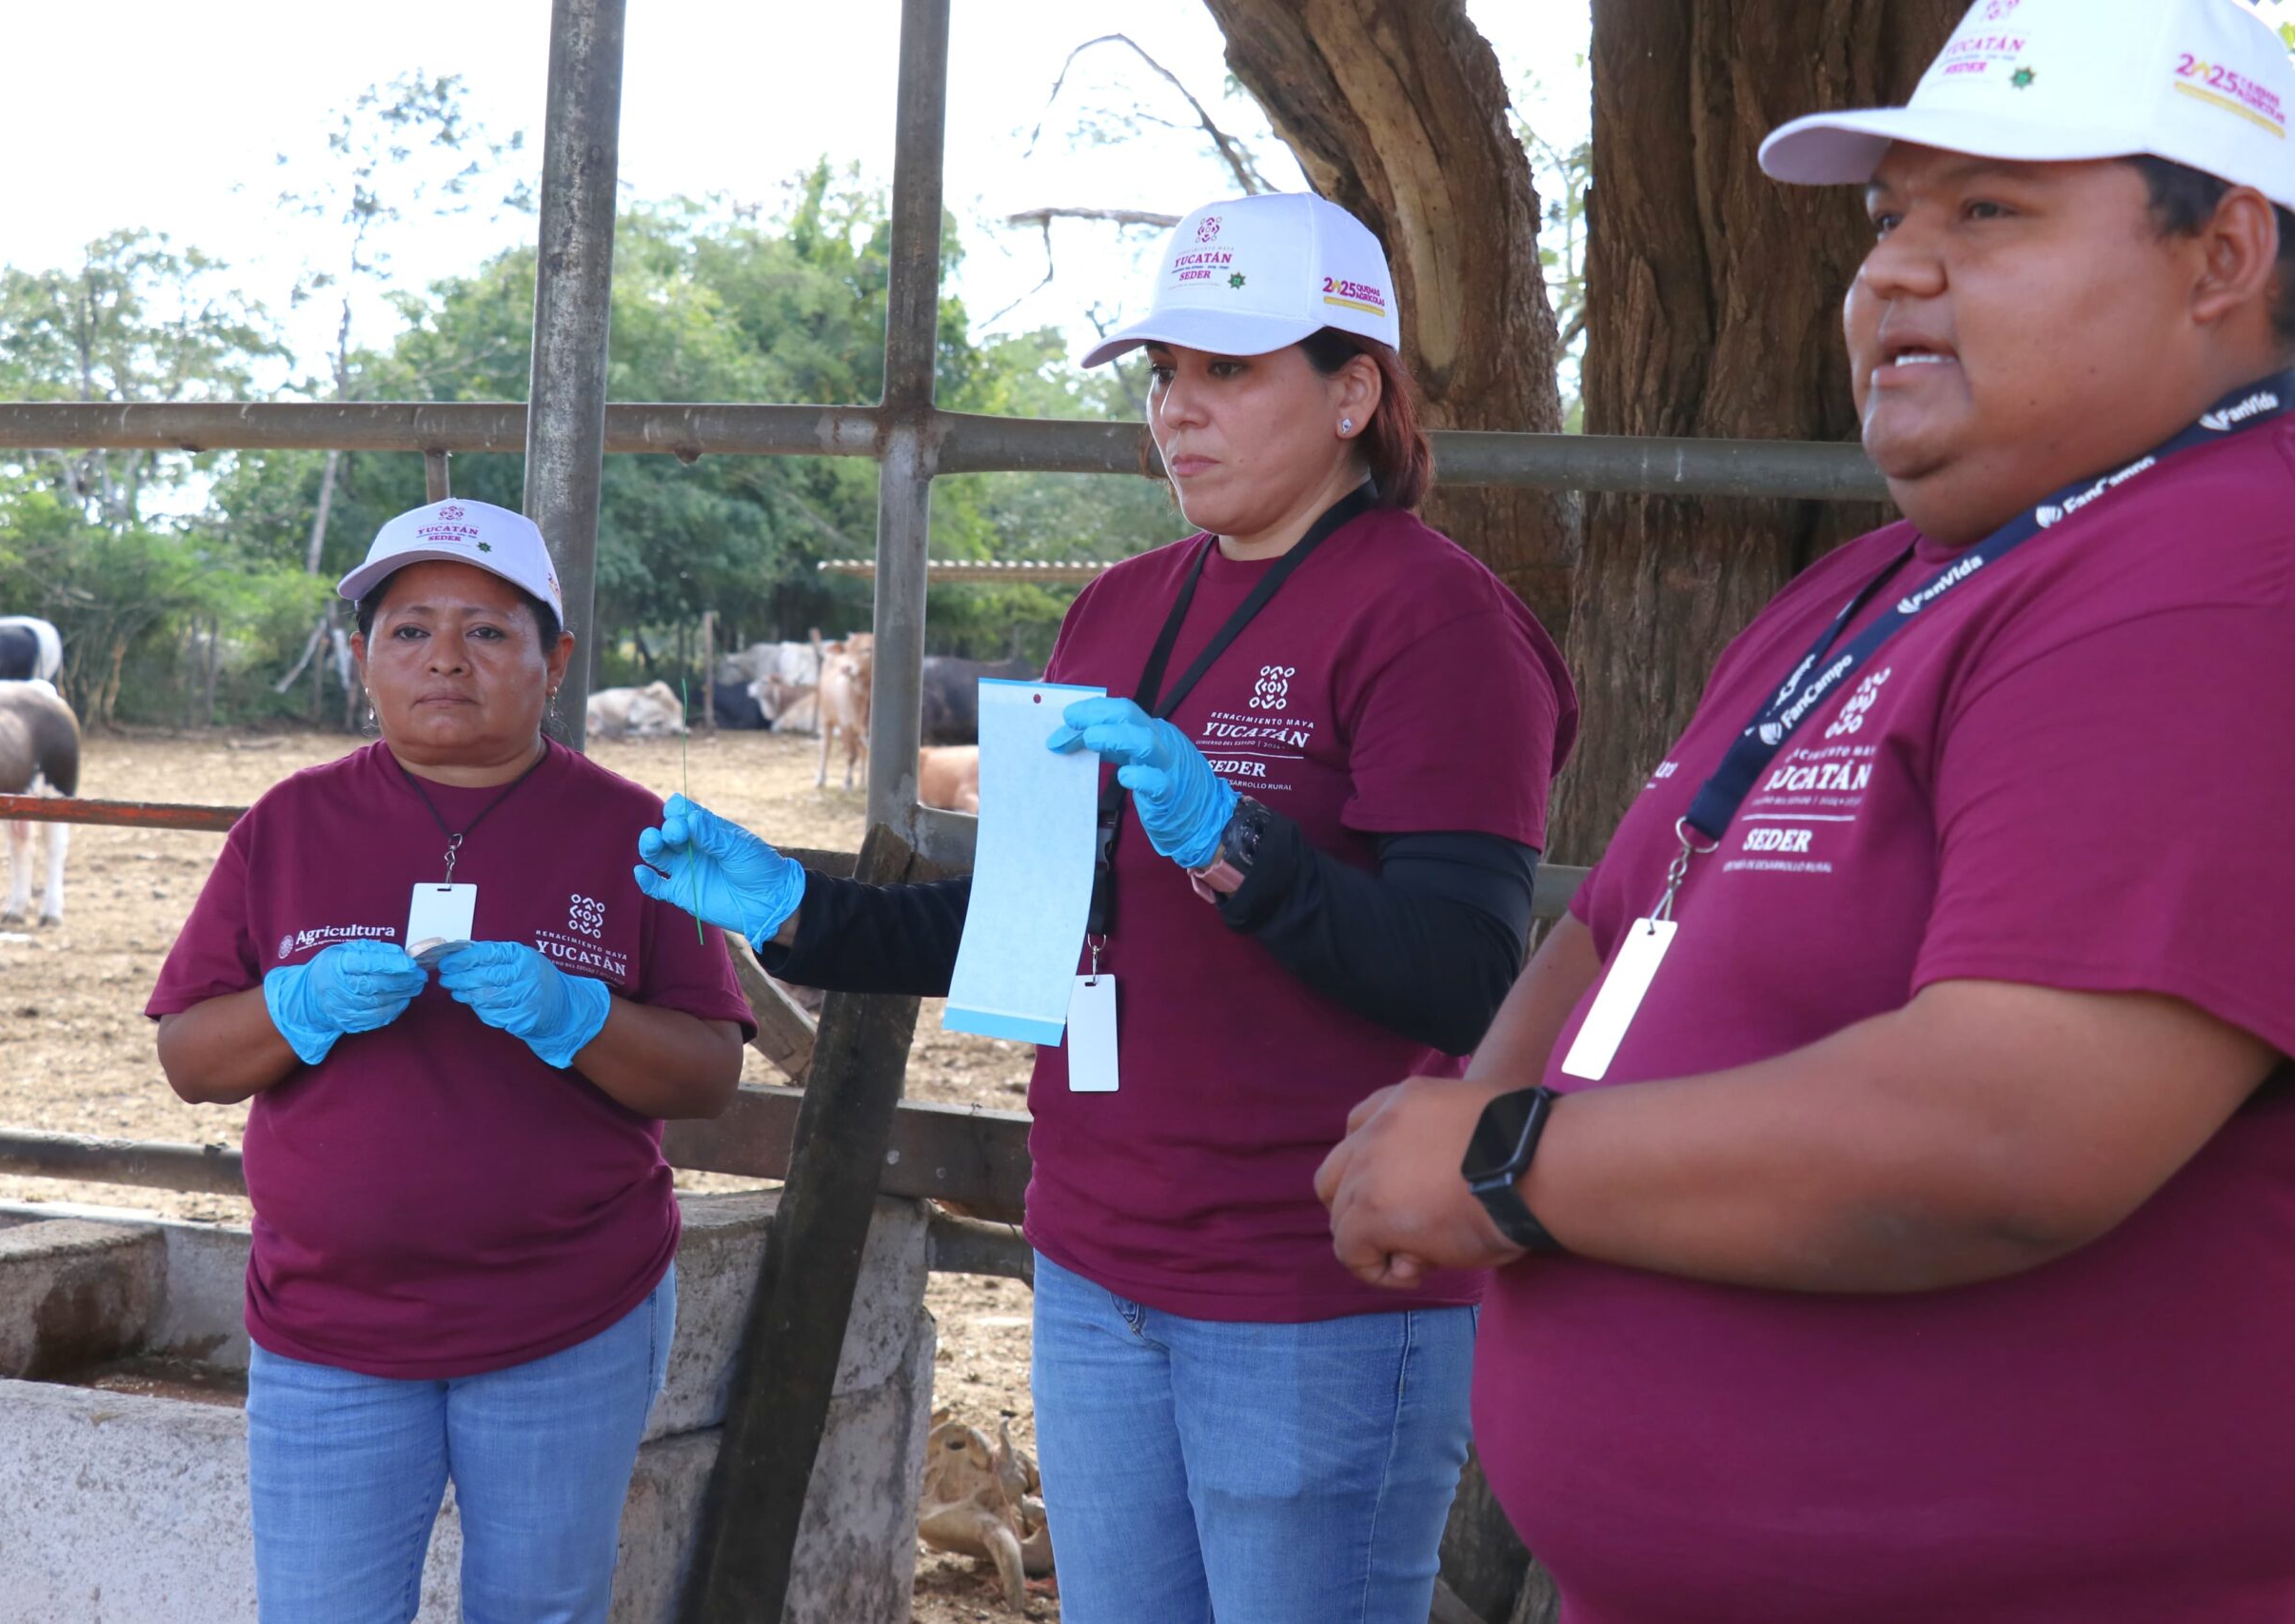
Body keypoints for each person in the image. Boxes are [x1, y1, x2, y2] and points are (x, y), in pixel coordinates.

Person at [1317, 3, 2295, 1620]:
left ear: (2223, 255)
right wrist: (1472, 1116)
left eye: (1987, 210)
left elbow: (2012, 1129)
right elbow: (1631, 907)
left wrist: (1505, 1163)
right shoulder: (1890, 579)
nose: (1894, 272)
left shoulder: (2220, 571)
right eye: (1887, 217)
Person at [634, 192, 1576, 1624]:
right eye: (1163, 374)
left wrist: (1234, 846)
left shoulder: (1436, 619)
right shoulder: (1117, 611)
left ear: (1354, 392)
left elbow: (1460, 976)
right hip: (1092, 1261)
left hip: (1308, 1283)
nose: (1177, 412)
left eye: (1228, 371)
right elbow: (1025, 917)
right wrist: (797, 908)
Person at [148, 499, 752, 1624]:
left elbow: (708, 1074)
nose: (445, 659)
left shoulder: (635, 833)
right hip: (329, 1324)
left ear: (554, 659)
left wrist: (580, 1015)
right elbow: (190, 1056)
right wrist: (296, 1005)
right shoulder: (287, 824)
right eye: (410, 628)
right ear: (361, 658)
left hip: (569, 1315)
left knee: (542, 1608)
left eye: (486, 629)